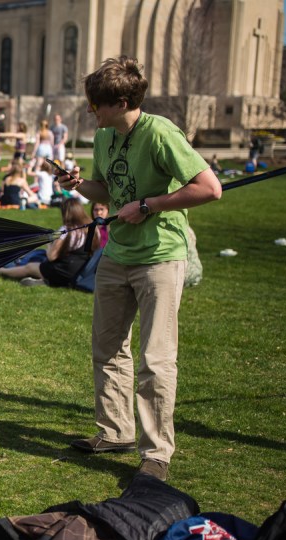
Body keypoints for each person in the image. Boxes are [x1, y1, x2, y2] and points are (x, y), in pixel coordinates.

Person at [58, 56, 221, 481]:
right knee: (107, 347)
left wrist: (150, 205)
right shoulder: (104, 137)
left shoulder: (161, 133)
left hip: (161, 255)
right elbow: (108, 191)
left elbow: (209, 188)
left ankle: (157, 454)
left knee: (156, 359)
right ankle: (115, 431)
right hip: (118, 255)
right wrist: (78, 185)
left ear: (123, 102)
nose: (91, 111)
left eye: (97, 105)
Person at [0, 199, 100, 286]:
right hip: (81, 271)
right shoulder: (93, 229)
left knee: (30, 267)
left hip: (63, 271)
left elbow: (51, 256)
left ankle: (1, 271)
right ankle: (45, 281)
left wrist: (49, 244)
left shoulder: (66, 230)